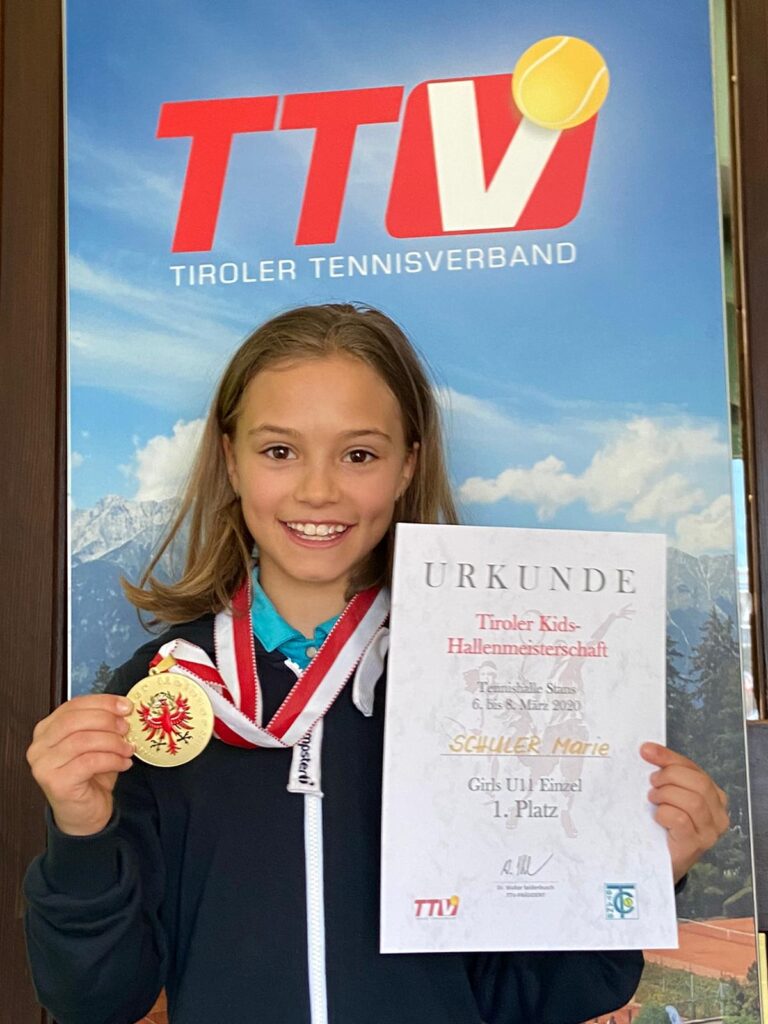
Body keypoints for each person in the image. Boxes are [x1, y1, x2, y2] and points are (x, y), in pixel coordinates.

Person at [25, 304, 729, 1024]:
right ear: (231, 459)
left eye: (358, 455)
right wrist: (82, 835)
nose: (318, 490)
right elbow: (97, 997)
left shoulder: (480, 680)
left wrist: (643, 868)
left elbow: (535, 994)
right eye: (280, 451)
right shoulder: (164, 691)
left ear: (407, 465)